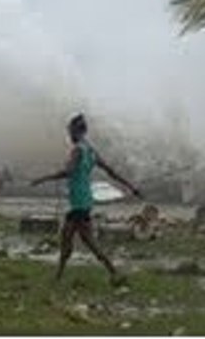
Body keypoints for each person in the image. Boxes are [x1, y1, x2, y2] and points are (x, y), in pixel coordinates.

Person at [31, 113, 141, 285]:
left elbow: (68, 172)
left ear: (77, 131)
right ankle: (112, 272)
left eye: (70, 132)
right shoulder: (91, 151)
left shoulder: (77, 150)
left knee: (71, 239)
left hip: (78, 203)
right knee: (83, 240)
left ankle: (60, 276)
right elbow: (111, 172)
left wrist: (42, 179)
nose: (69, 136)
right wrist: (132, 187)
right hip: (84, 200)